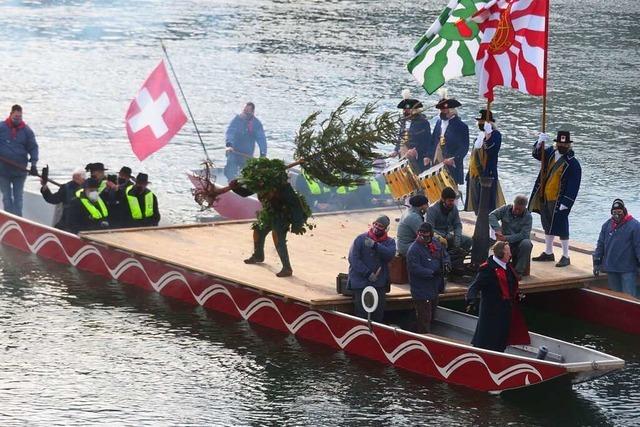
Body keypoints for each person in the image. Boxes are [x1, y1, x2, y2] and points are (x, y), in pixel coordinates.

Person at [230, 159, 311, 278]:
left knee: (277, 236)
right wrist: (235, 187)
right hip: (269, 213)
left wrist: (297, 223)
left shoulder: (283, 187)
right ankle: (258, 255)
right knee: (258, 230)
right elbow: (245, 193)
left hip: (282, 215)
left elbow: (296, 205)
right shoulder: (260, 183)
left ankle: (287, 268)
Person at [529, 131, 582, 267]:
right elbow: (536, 154)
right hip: (545, 195)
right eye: (560, 143)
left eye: (565, 144)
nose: (562, 146)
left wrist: (567, 202)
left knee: (562, 226)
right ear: (556, 144)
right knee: (547, 223)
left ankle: (565, 255)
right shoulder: (550, 154)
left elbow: (573, 185)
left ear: (569, 145)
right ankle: (548, 252)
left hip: (559, 199)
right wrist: (539, 142)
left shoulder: (573, 164)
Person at [465, 241, 530, 352]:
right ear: (501, 254)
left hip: (505, 312)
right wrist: (471, 300)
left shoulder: (507, 267)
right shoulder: (487, 269)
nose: (510, 255)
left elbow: (510, 285)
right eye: (508, 252)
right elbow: (474, 287)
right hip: (491, 313)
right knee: (488, 340)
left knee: (501, 339)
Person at [348, 215, 396, 322]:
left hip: (379, 284)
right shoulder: (360, 239)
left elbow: (389, 255)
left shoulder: (390, 242)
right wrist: (368, 273)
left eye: (381, 226)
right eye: (376, 224)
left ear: (386, 229)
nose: (377, 227)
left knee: (378, 314)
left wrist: (375, 246)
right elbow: (353, 259)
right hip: (361, 283)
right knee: (362, 314)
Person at [406, 222, 450, 333]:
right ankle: (423, 337)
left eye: (425, 234)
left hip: (435, 288)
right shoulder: (413, 249)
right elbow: (414, 268)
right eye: (420, 233)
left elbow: (444, 255)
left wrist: (446, 264)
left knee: (432, 315)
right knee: (424, 317)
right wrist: (431, 272)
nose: (422, 236)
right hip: (421, 289)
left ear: (430, 234)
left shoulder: (436, 243)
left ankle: (429, 333)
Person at [593, 199, 640, 298]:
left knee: (630, 297)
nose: (617, 215)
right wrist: (596, 262)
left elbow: (638, 246)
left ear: (624, 211)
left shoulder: (635, 226)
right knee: (616, 297)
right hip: (611, 268)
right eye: (614, 212)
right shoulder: (606, 225)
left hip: (628, 270)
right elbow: (600, 245)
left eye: (619, 212)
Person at [0, 104, 39, 216]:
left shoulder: (27, 131)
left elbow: (33, 148)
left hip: (20, 172)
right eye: (15, 117)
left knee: (18, 199)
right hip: (3, 171)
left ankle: (18, 220)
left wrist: (33, 165)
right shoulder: (1, 127)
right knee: (7, 198)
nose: (17, 119)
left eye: (19, 117)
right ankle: (9, 219)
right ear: (11, 114)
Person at [465, 109, 506, 214]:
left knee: (487, 205)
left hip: (487, 174)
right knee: (476, 203)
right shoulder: (479, 136)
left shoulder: (495, 135)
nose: (480, 123)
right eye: (479, 121)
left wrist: (488, 137)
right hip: (474, 174)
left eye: (482, 121)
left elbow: (492, 150)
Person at [426, 187, 472, 271]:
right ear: (443, 199)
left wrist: (457, 238)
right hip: (437, 237)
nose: (452, 203)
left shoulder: (454, 208)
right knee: (442, 244)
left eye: (453, 200)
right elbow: (430, 229)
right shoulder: (432, 210)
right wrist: (444, 236)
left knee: (468, 240)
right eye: (450, 201)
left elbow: (457, 225)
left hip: (450, 235)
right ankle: (444, 266)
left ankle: (457, 264)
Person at [427, 98, 469, 189]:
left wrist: (454, 158)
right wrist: (429, 156)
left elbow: (464, 147)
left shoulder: (461, 126)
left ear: (452, 110)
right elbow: (433, 140)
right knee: (436, 187)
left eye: (445, 110)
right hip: (437, 160)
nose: (442, 112)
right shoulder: (438, 122)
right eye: (441, 110)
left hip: (452, 162)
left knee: (452, 188)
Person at [488, 195, 533, 277]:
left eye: (520, 209)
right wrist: (497, 229)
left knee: (527, 243)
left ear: (524, 208)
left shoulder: (528, 217)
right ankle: (498, 268)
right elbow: (492, 216)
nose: (517, 211)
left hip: (518, 243)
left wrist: (507, 238)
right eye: (516, 208)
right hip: (504, 242)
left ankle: (518, 272)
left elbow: (524, 234)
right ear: (513, 204)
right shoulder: (505, 209)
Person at [224, 102, 267, 180]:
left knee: (246, 174)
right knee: (230, 170)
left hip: (247, 154)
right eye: (244, 111)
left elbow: (262, 139)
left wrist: (263, 154)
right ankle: (230, 183)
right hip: (234, 151)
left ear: (252, 112)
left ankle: (242, 188)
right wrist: (229, 144)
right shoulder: (237, 120)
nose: (245, 113)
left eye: (247, 112)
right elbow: (230, 132)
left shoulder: (256, 124)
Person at [392, 90, 431, 174]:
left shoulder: (423, 122)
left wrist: (416, 150)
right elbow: (400, 137)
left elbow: (427, 141)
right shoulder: (403, 121)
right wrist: (396, 149)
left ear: (414, 110)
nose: (405, 111)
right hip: (403, 153)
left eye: (407, 109)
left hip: (418, 157)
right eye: (404, 109)